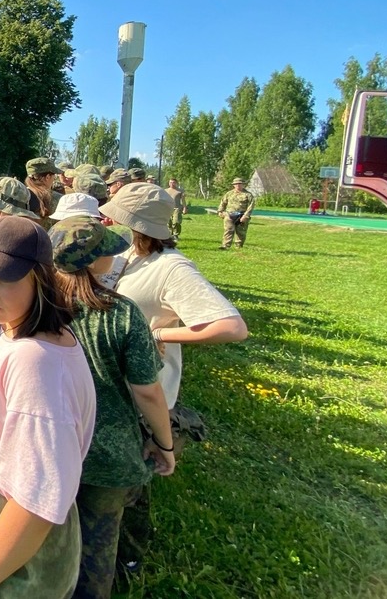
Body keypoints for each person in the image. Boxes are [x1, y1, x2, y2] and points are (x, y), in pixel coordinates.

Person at [98, 182, 247, 566]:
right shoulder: (128, 253)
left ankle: (127, 560)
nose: (108, 218)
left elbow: (231, 326)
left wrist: (159, 332)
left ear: (135, 223)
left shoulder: (172, 267)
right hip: (117, 390)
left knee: (131, 483)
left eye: (116, 214)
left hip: (144, 393)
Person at [0, 217, 97, 597]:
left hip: (15, 561)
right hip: (3, 534)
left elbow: (36, 504)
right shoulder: (26, 330)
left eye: (5, 277)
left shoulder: (36, 364)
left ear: (41, 278)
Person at [48, 217, 176, 599]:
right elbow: (148, 392)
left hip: (50, 450)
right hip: (108, 454)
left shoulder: (36, 306)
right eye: (104, 249)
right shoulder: (121, 313)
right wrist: (164, 444)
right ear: (93, 261)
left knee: (44, 547)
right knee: (96, 554)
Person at [217, 177, 255, 249]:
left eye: (240, 184)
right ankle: (225, 246)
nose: (238, 185)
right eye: (236, 184)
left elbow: (251, 206)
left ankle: (239, 246)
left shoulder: (248, 195)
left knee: (241, 232)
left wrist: (245, 216)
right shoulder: (229, 194)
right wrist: (220, 211)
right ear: (234, 185)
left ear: (243, 185)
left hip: (242, 216)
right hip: (229, 215)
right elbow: (223, 203)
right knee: (228, 230)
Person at [24, 157, 62, 227]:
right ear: (47, 177)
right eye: (54, 175)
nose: (54, 179)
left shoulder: (19, 195)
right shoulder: (59, 199)